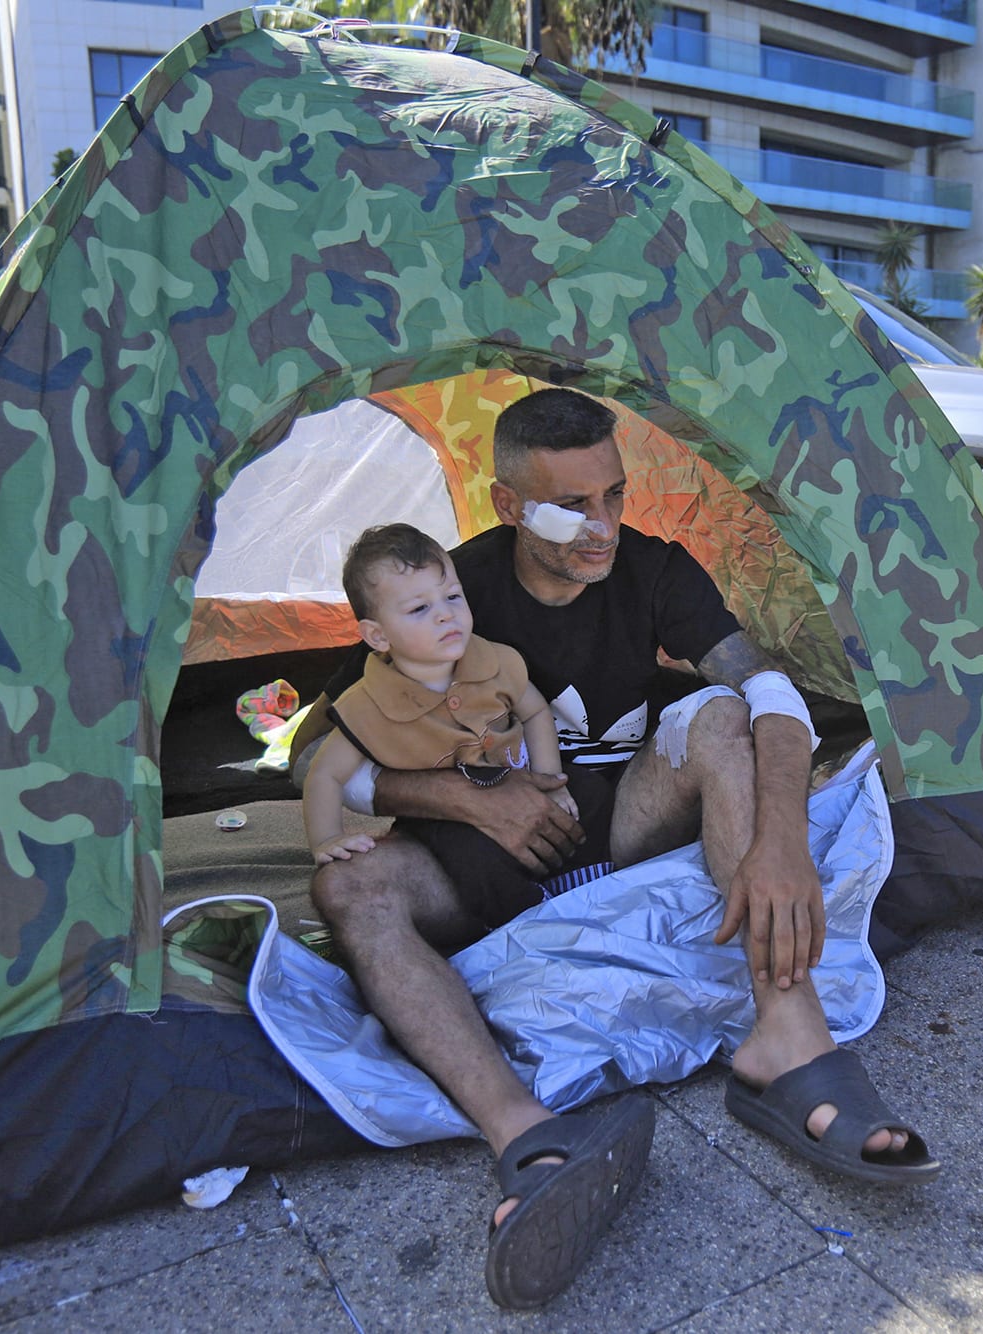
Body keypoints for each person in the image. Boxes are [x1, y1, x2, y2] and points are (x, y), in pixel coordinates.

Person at [294, 388, 937, 1311]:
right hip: (482, 852)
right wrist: (468, 803)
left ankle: (783, 1046)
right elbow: (316, 753)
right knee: (352, 897)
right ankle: (527, 1139)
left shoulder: (652, 571)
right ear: (510, 506)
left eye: (613, 498)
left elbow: (773, 697)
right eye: (570, 507)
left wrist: (784, 843)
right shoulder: (447, 589)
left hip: (619, 821)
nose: (601, 529)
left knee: (717, 714)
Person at [301, 522, 583, 876]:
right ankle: (521, 909)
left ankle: (590, 880)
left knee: (588, 792)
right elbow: (324, 774)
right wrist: (327, 839)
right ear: (377, 635)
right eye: (419, 608)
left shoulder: (495, 660)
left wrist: (550, 781)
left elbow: (537, 712)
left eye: (452, 596)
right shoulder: (367, 703)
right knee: (467, 860)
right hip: (445, 821)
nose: (445, 614)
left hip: (520, 781)